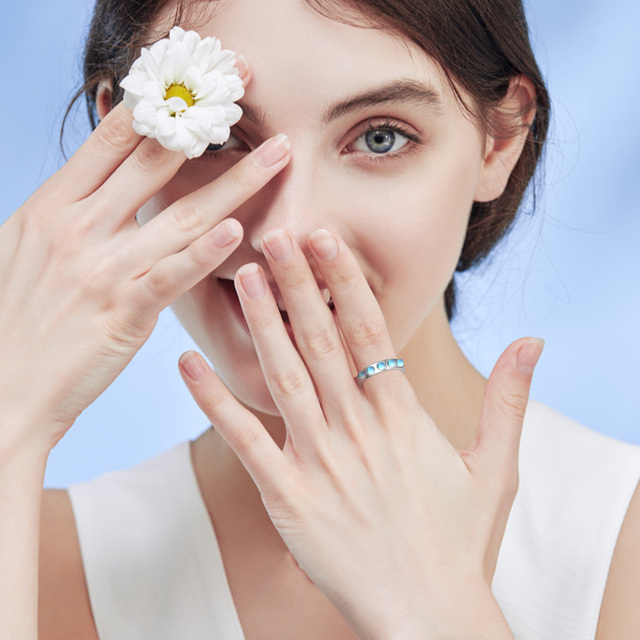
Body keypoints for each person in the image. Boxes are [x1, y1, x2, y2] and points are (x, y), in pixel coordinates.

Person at [1, 0, 639, 638]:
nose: (288, 232)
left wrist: (439, 614)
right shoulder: (42, 558)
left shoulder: (618, 541)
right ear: (120, 135)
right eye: (219, 137)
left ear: (499, 139)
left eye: (380, 137)